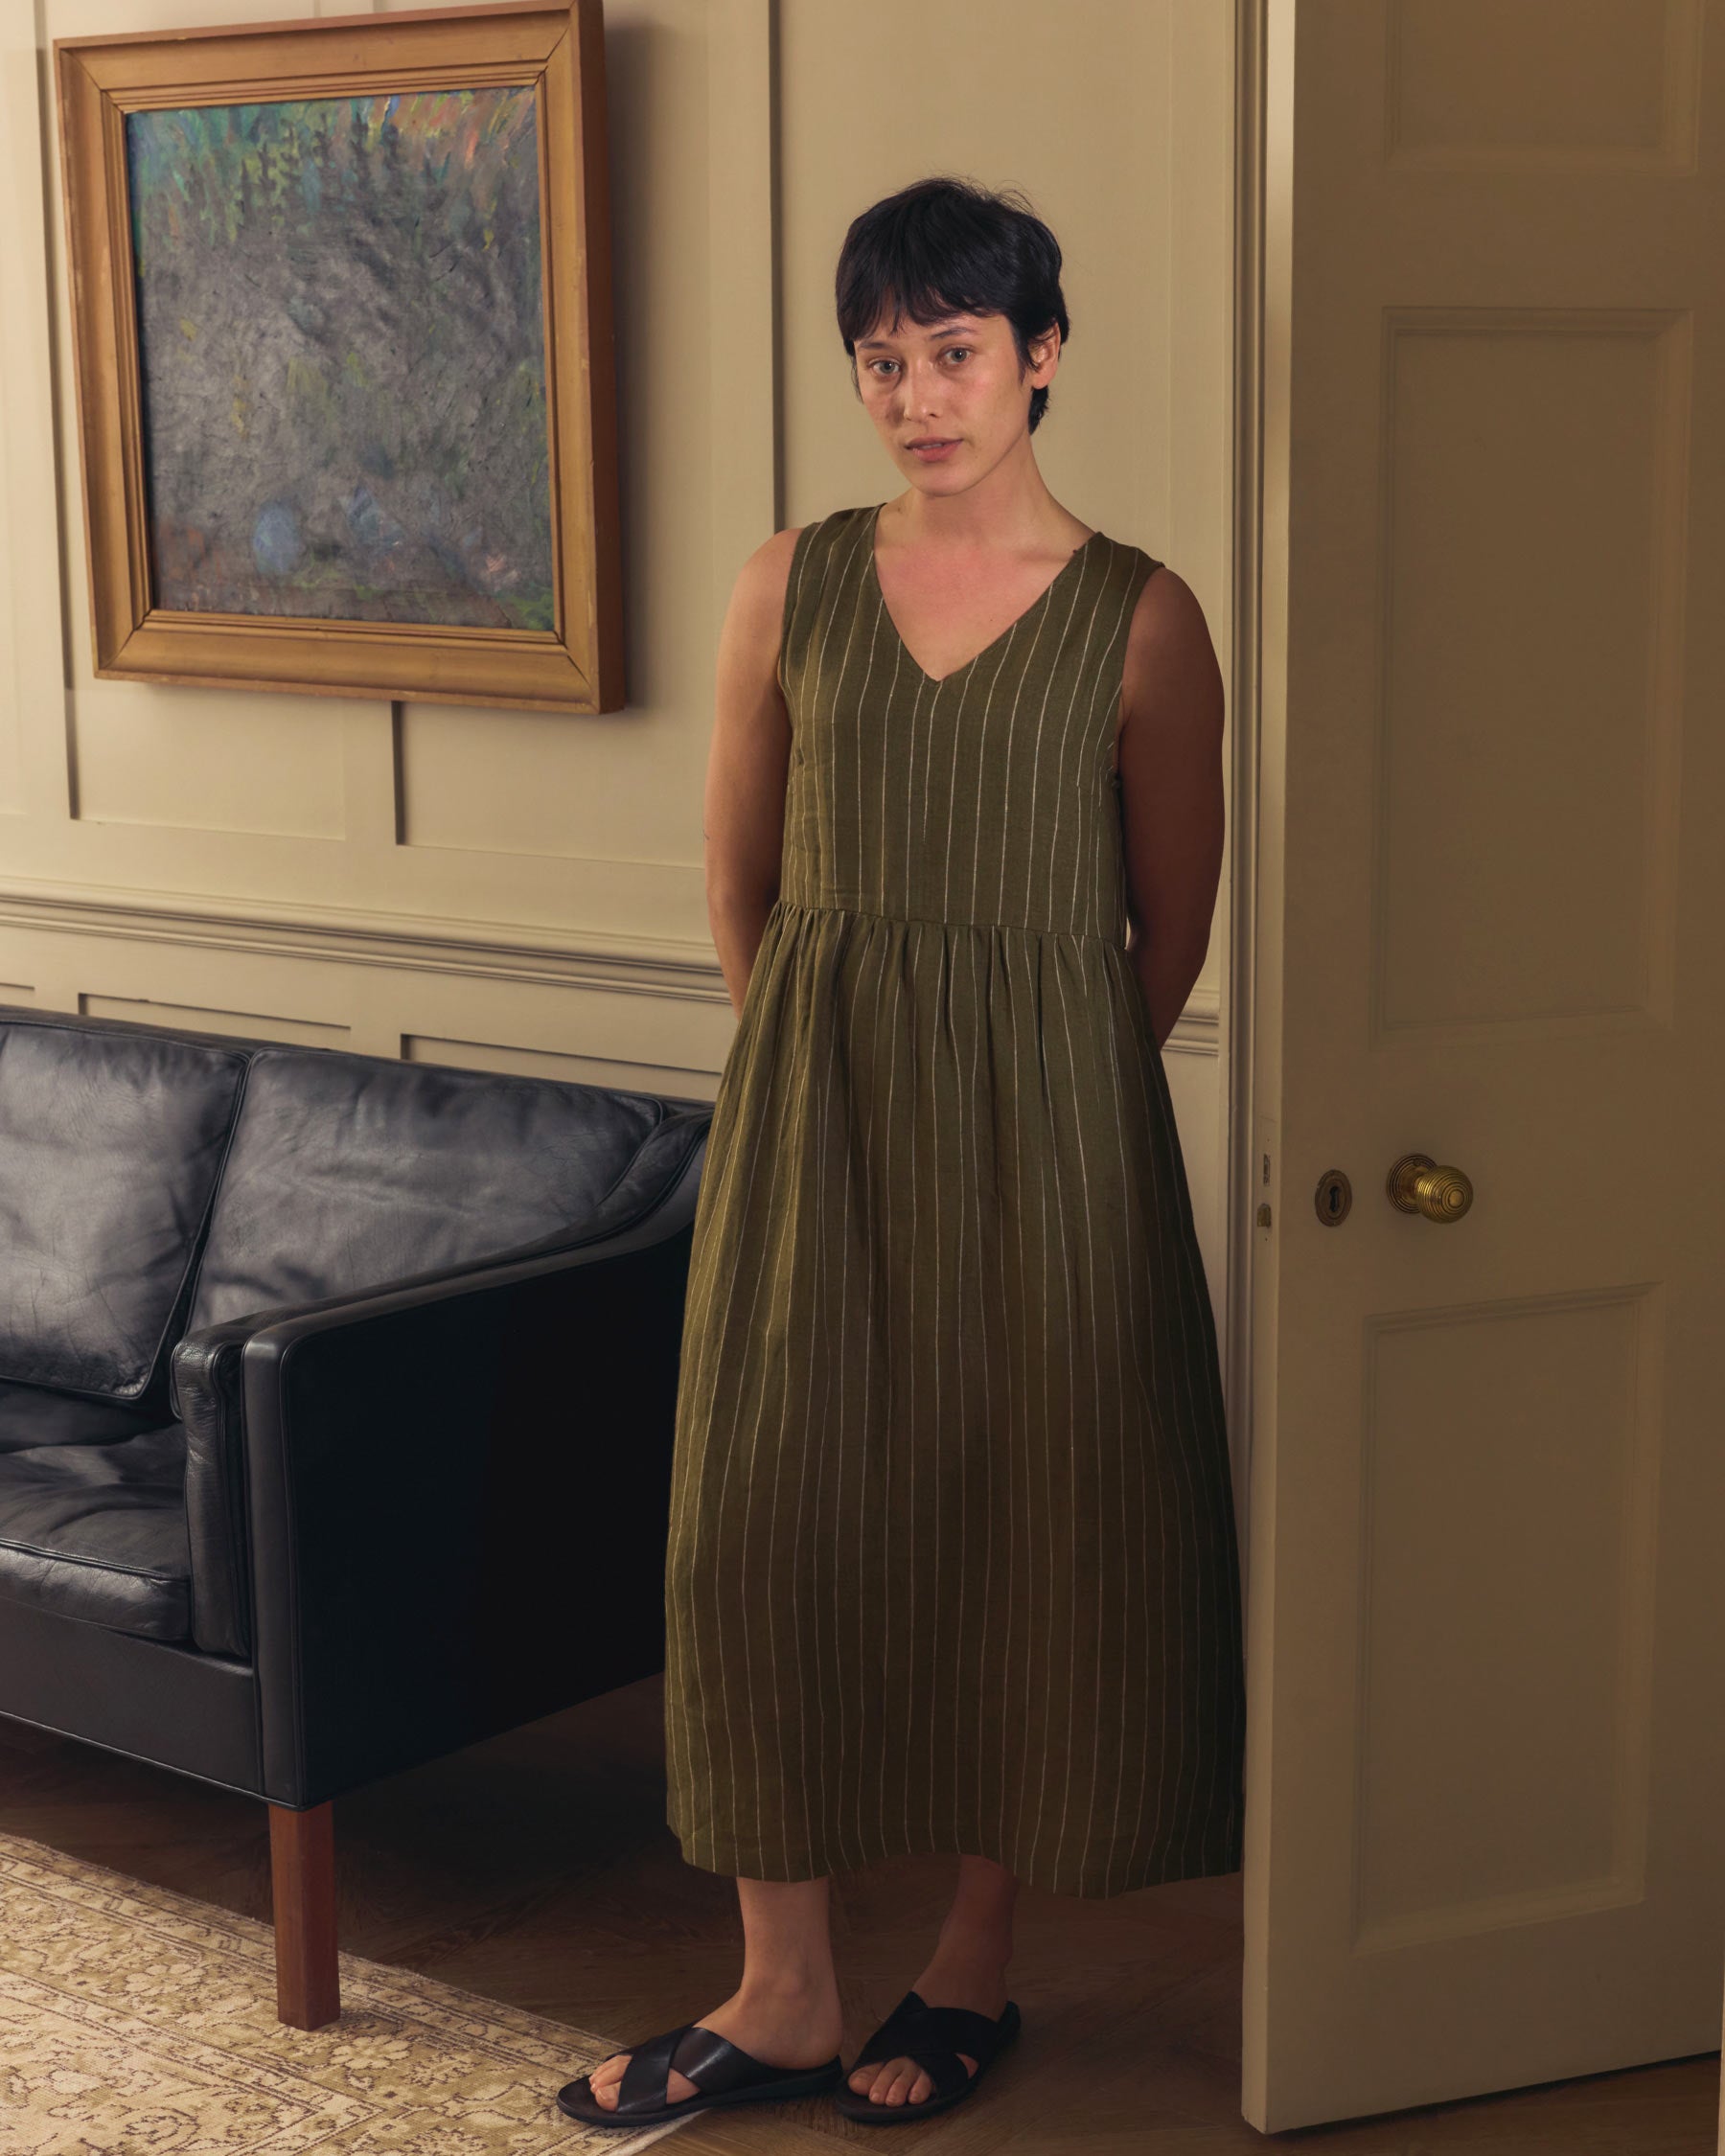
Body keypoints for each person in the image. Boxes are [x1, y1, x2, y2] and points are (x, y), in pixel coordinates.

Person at [559, 173, 1245, 2132]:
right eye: (882, 359)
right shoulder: (791, 582)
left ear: (1039, 358)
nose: (918, 394)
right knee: (762, 1536)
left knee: (1022, 1538)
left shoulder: (1143, 619)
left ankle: (969, 1969)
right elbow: (737, 879)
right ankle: (781, 1992)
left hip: (1056, 1150)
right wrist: (823, 1071)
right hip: (817, 1124)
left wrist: (1042, 1097)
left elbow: (1167, 927)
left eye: (953, 352)